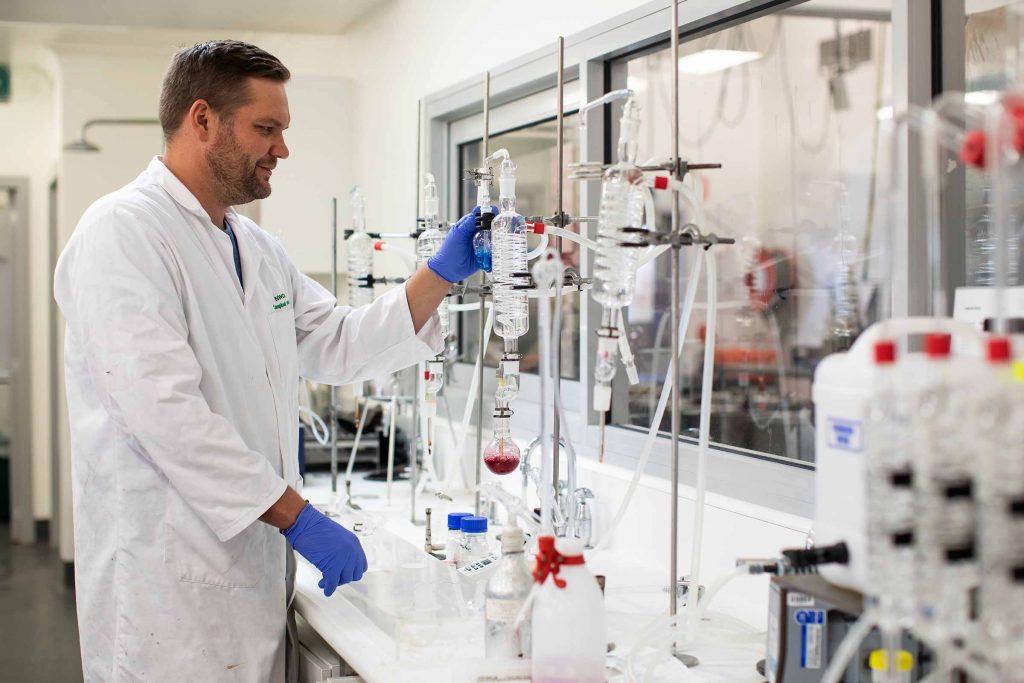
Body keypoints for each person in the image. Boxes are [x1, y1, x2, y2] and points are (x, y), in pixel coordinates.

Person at [54, 40, 486, 682]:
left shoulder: (253, 244)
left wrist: (438, 276)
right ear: (201, 120)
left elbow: (338, 340)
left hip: (249, 575)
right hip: (166, 594)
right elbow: (166, 418)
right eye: (267, 128)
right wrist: (301, 517)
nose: (282, 148)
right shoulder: (123, 232)